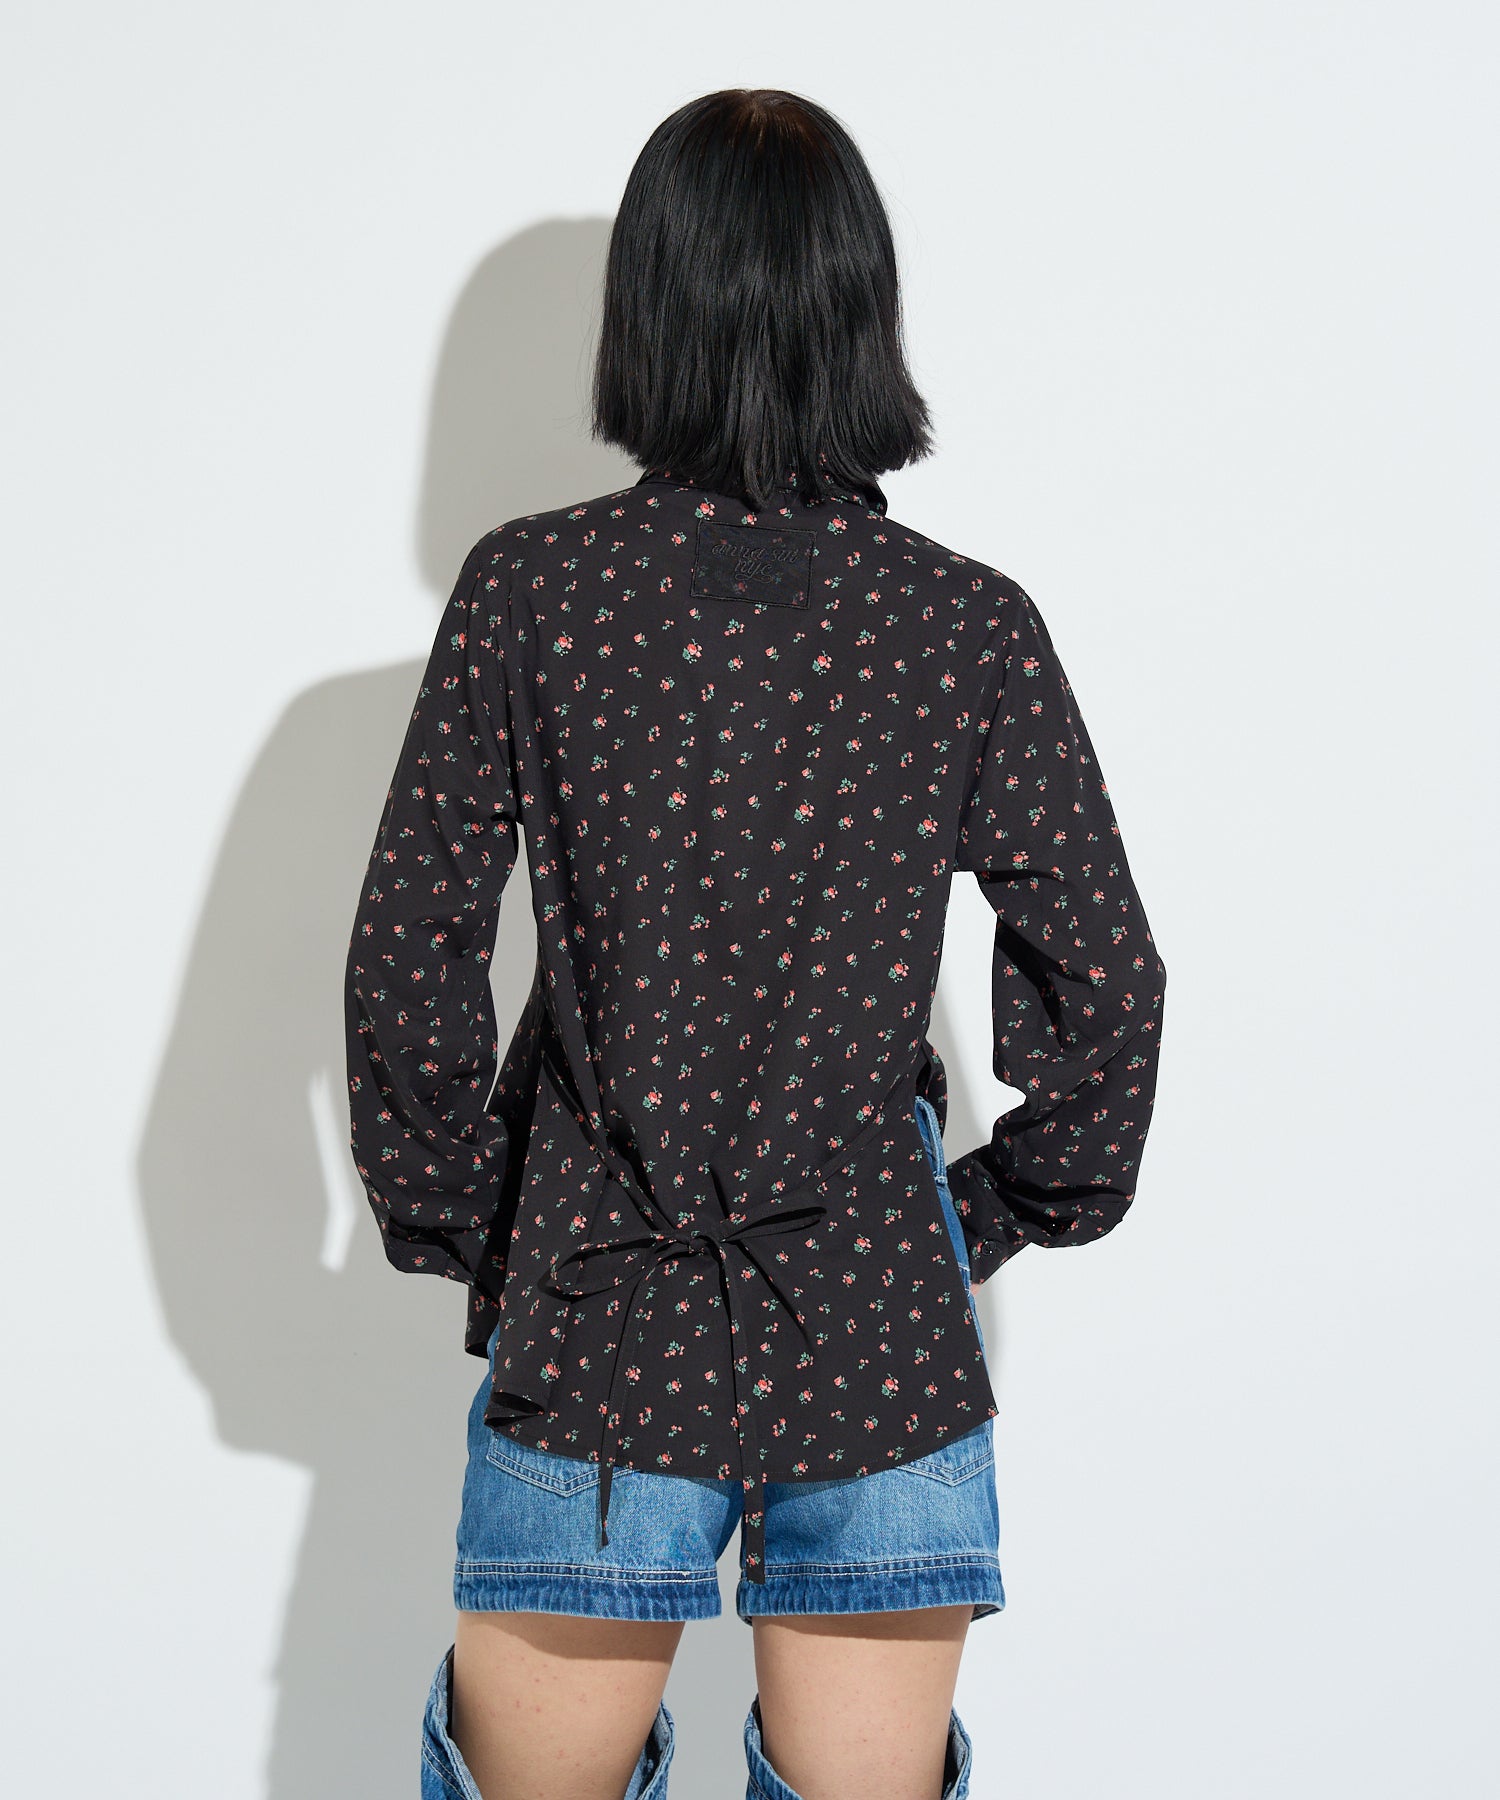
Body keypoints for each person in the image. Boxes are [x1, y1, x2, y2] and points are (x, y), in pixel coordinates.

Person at [344, 86, 1167, 1800]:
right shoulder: (964, 623)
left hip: (595, 1311)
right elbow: (1109, 983)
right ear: (860, 304)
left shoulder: (531, 594)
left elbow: (412, 948)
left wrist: (470, 1220)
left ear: (651, 307)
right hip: (876, 1324)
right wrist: (973, 1218)